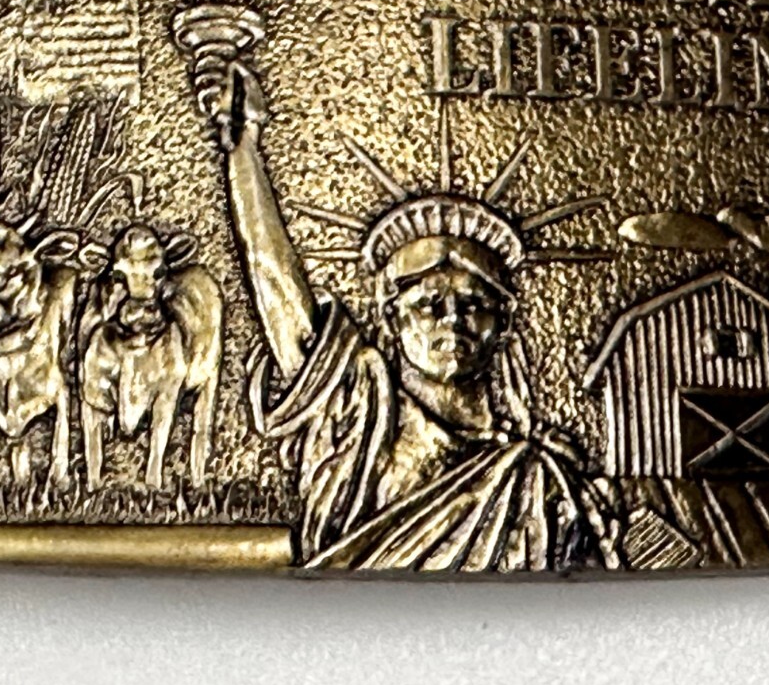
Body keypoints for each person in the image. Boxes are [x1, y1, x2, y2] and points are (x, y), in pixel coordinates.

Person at [193, 52, 620, 573]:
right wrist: (243, 151)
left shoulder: (541, 478)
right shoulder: (361, 413)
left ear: (505, 324)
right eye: (427, 304)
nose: (452, 320)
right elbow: (276, 286)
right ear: (391, 318)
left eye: (474, 304)